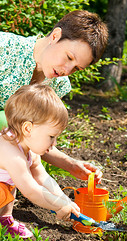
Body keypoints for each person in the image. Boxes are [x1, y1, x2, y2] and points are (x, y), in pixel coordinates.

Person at [0, 10, 108, 183]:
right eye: (69, 57)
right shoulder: (4, 48)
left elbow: (37, 138)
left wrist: (71, 165)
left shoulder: (58, 85)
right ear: (55, 36)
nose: (67, 70)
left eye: (76, 68)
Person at [0, 84, 82, 238]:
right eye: (51, 136)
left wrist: (63, 199)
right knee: (10, 185)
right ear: (28, 129)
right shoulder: (12, 154)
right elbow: (31, 190)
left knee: (10, 183)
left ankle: (4, 219)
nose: (54, 143)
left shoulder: (28, 148)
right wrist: (58, 205)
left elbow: (42, 177)